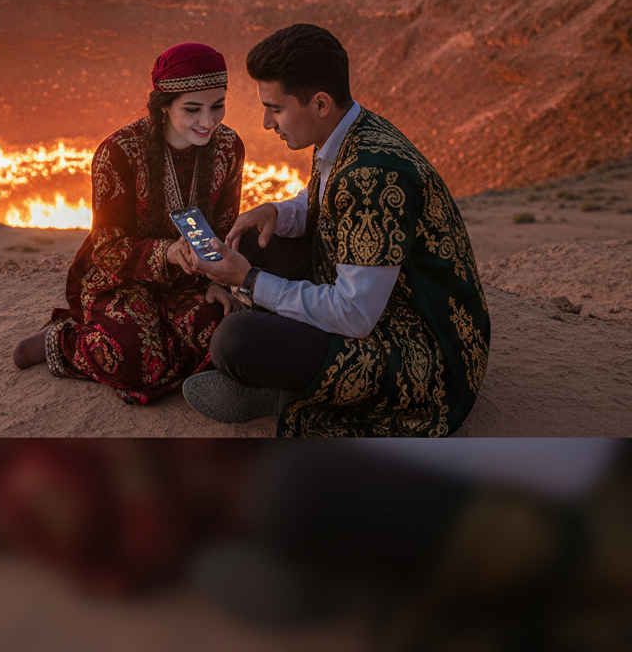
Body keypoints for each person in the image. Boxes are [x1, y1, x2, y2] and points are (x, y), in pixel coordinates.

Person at [181, 23, 490, 436]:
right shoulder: (349, 133)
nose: (266, 123)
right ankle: (287, 372)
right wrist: (277, 211)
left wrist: (250, 280)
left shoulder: (373, 175)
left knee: (235, 341)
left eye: (275, 108)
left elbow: (355, 314)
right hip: (383, 305)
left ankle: (286, 391)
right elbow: (325, 202)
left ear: (321, 104)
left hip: (425, 352)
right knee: (249, 239)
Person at [13, 42, 245, 404]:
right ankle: (62, 341)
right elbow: (106, 246)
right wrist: (167, 252)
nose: (208, 121)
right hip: (120, 278)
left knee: (226, 335)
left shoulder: (230, 146)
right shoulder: (117, 152)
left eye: (218, 106)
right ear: (163, 107)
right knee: (138, 361)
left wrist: (219, 283)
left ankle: (155, 339)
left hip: (190, 280)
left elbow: (224, 227)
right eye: (192, 109)